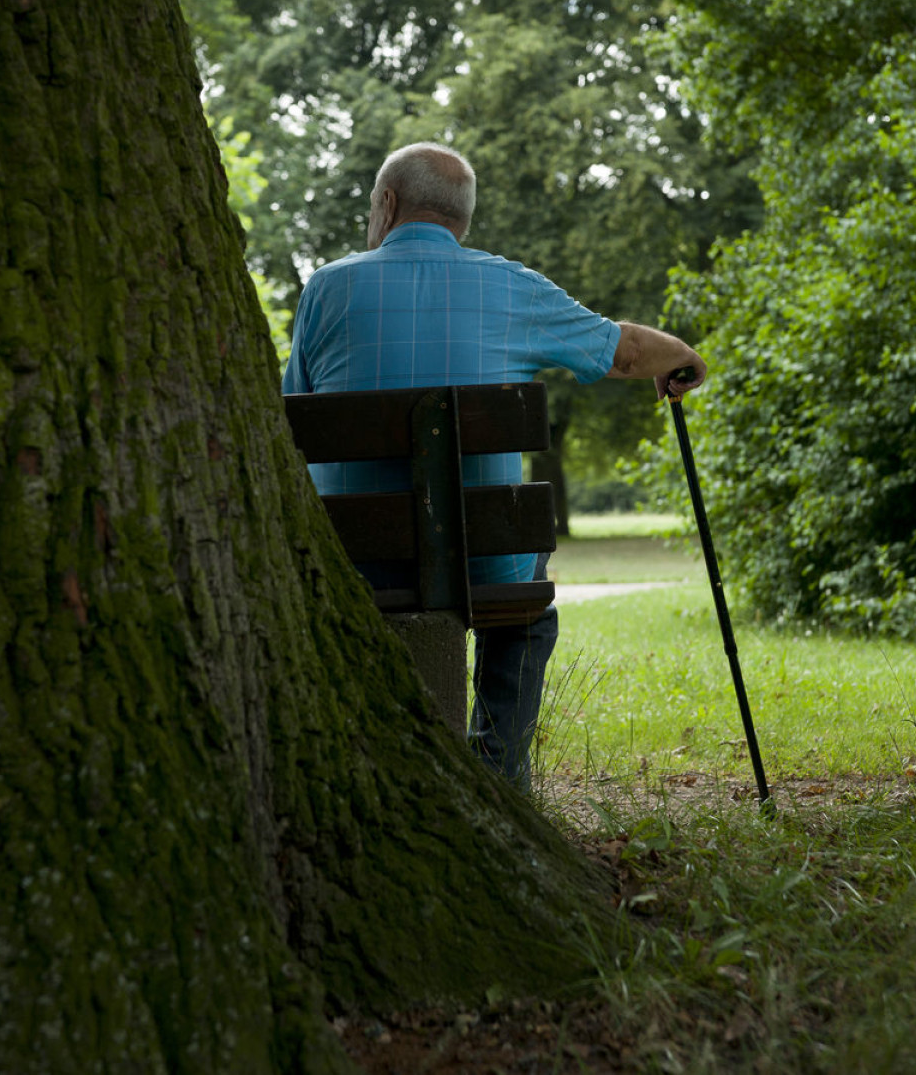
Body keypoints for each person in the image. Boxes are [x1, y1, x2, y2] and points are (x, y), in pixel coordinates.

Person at [282, 142, 706, 789]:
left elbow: (298, 415)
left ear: (387, 204)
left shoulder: (326, 288)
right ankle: (499, 776)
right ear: (461, 219)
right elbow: (624, 354)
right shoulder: (513, 286)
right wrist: (685, 359)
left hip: (356, 559)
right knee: (526, 603)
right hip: (486, 562)